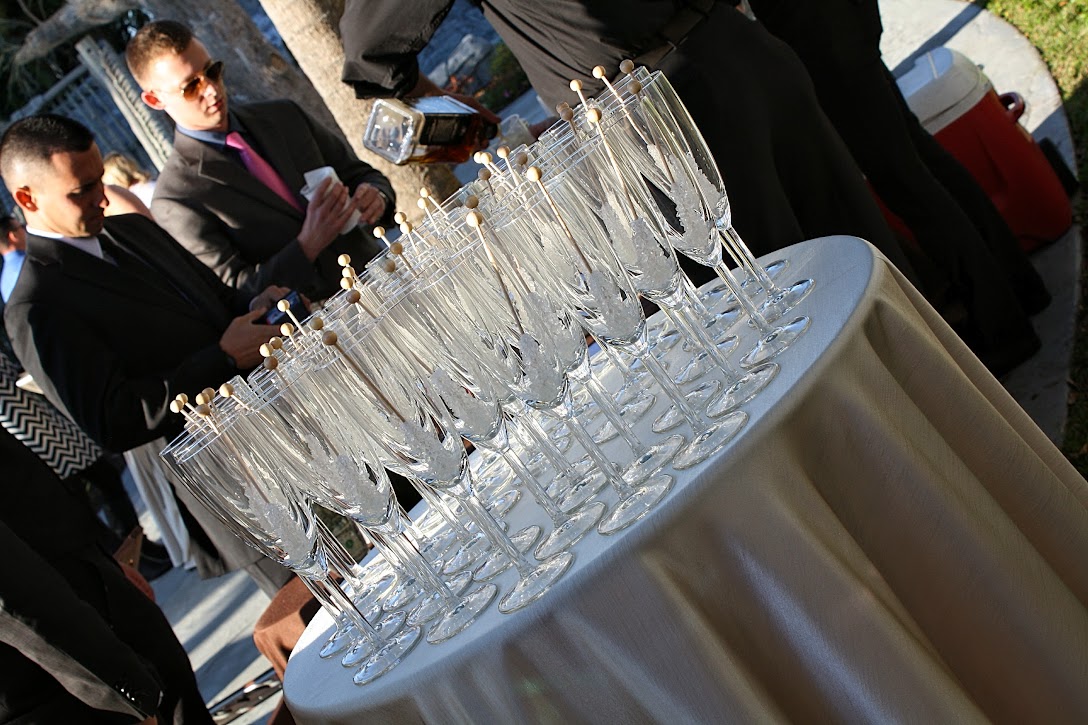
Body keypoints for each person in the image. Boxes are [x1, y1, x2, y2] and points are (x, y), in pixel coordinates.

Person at [338, 0, 916, 280]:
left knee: (782, 306)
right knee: (872, 269)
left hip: (658, 116)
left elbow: (368, 54)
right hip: (740, 46)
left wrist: (472, 130)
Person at [0, 113, 293, 596]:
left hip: (285, 429)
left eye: (100, 180)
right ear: (28, 199)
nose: (101, 197)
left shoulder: (131, 230)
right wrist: (221, 359)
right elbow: (112, 419)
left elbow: (215, 304)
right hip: (233, 483)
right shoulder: (36, 305)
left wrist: (256, 306)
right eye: (82, 190)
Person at [745, 0, 1049, 374]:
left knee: (905, 177)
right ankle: (1019, 288)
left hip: (818, 30)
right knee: (915, 158)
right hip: (834, 22)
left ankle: (1003, 328)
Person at [126, 20, 396, 301]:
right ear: (155, 100)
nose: (212, 89)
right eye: (191, 86)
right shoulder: (176, 197)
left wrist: (376, 196)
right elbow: (236, 292)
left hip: (383, 278)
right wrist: (307, 246)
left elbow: (362, 174)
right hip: (317, 319)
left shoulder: (282, 115)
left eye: (212, 71)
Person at [0, 424, 213, 724]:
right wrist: (124, 694)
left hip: (87, 585)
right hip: (63, 675)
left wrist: (105, 566)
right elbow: (14, 600)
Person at [0, 212, 26, 302]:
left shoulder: (4, 282)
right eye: (22, 227)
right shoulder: (29, 264)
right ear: (13, 236)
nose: (25, 230)